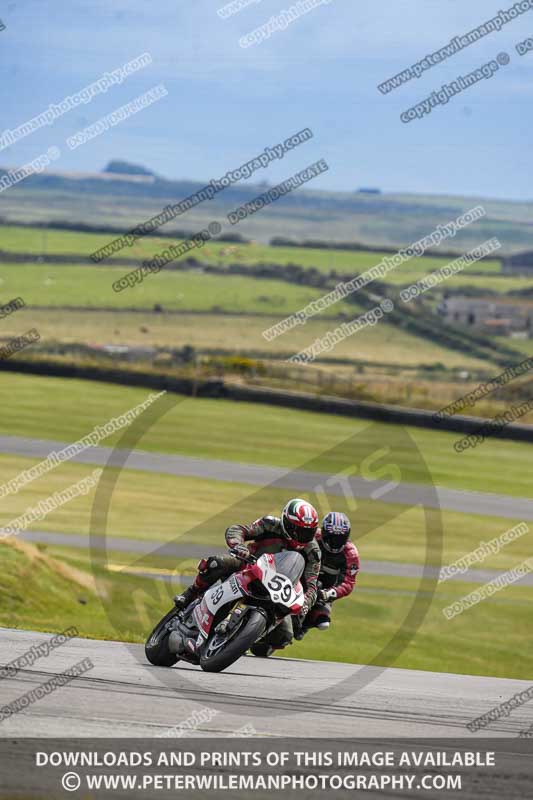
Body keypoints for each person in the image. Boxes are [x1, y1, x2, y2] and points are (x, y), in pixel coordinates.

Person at [174, 498, 321, 651]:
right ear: (287, 523)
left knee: (284, 635)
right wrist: (239, 546)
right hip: (249, 566)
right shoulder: (270, 524)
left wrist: (306, 602)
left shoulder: (312, 551)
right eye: (298, 530)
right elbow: (238, 530)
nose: (302, 536)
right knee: (218, 563)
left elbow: (312, 583)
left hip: (278, 588)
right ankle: (190, 594)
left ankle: (242, 639)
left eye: (307, 532)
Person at [295, 511, 359, 640]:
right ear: (323, 532)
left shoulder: (351, 554)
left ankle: (304, 625)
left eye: (340, 538)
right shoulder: (312, 537)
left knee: (323, 622)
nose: (335, 542)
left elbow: (349, 582)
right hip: (300, 577)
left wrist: (328, 593)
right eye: (331, 537)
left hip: (324, 590)